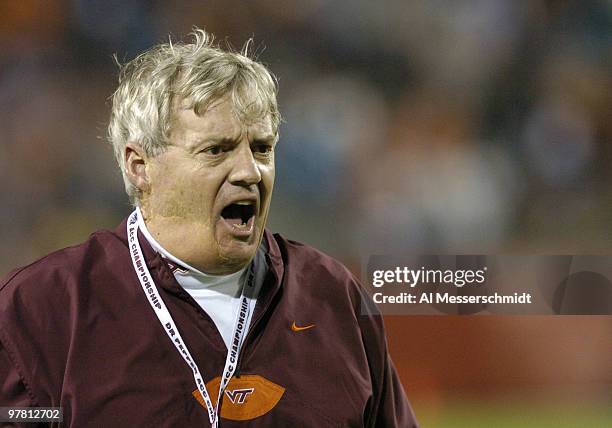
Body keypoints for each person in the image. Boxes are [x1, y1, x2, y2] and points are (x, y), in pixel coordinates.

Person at [0, 28, 418, 427]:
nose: (249, 172)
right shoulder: (42, 309)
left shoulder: (333, 297)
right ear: (139, 165)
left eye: (261, 148)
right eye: (216, 150)